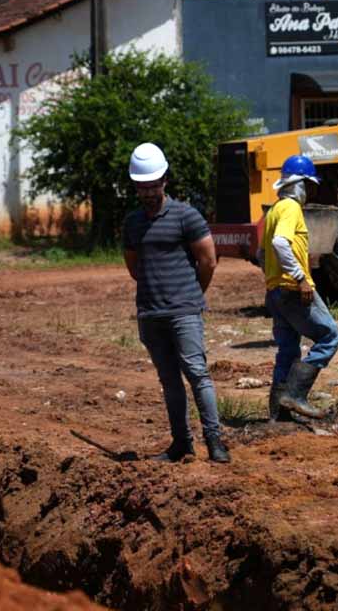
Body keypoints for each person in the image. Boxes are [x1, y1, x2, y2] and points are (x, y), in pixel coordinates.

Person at [122, 142, 231, 464]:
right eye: (141, 187)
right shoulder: (132, 223)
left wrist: (193, 296)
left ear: (164, 180)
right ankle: (182, 444)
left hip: (183, 312)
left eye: (152, 185)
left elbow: (208, 261)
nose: (147, 192)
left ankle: (215, 442)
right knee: (169, 382)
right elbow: (133, 267)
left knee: (197, 374)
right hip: (151, 313)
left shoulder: (187, 216)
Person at [260, 154, 338, 422]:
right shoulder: (290, 208)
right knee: (329, 336)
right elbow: (280, 244)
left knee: (288, 350)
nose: (310, 191)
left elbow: (263, 254)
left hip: (276, 292)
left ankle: (279, 414)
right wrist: (300, 279)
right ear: (299, 184)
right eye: (309, 185)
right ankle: (295, 395)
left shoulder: (273, 211)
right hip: (293, 290)